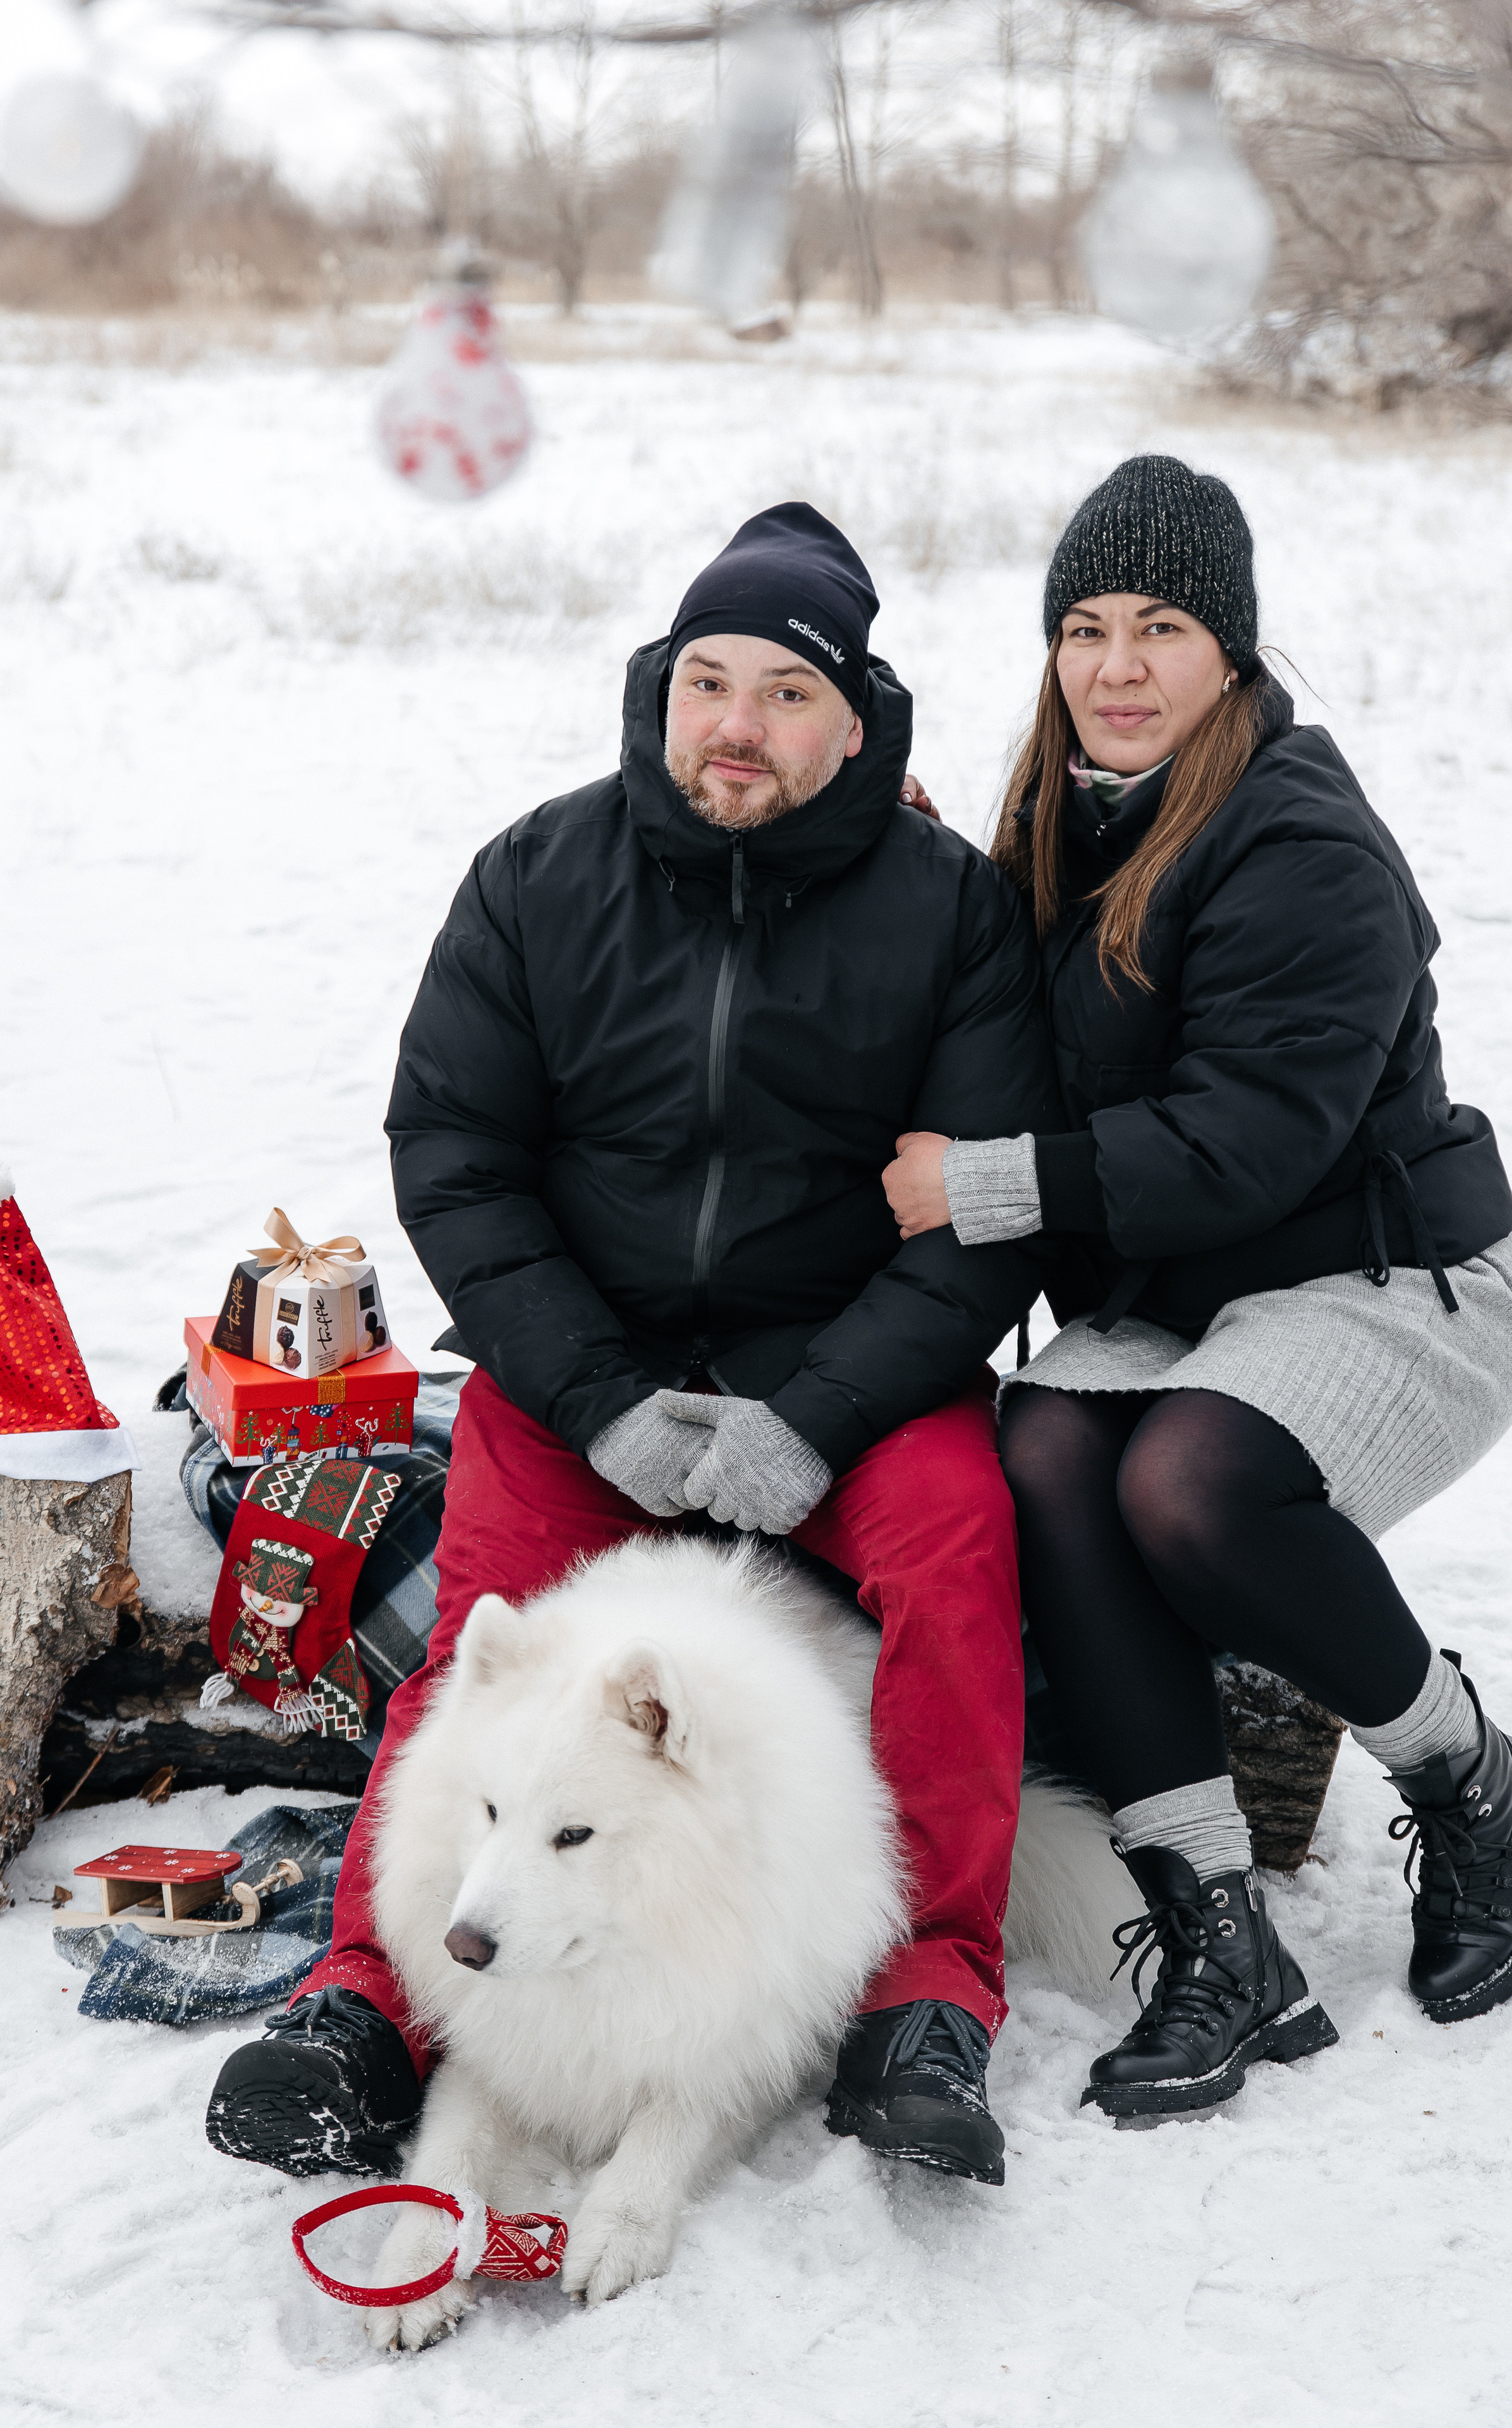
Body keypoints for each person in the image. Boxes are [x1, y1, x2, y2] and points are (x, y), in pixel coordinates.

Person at [206, 502, 1056, 2186]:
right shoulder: (539, 875)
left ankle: (926, 1993)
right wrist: (594, 1400)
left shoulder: (950, 911)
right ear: (662, 691)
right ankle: (369, 2002)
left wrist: (815, 1413)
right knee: (485, 1652)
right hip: (579, 1372)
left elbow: (978, 1220)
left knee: (958, 1555)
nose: (737, 723)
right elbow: (456, 1155)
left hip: (856, 1383)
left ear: (857, 719)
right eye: (708, 681)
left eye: (787, 693)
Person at [882, 454, 1512, 2123]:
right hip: (1201, 1297)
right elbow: (1038, 1031)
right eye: (1086, 628)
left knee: (1188, 1482)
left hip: (1397, 1278)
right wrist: (933, 892)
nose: (1117, 665)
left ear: (1236, 656)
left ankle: (1479, 1785)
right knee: (1049, 1443)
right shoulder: (1064, 827)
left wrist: (984, 1186)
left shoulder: (1305, 845)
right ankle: (1215, 1928)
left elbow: (1250, 1143)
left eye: (1165, 625)